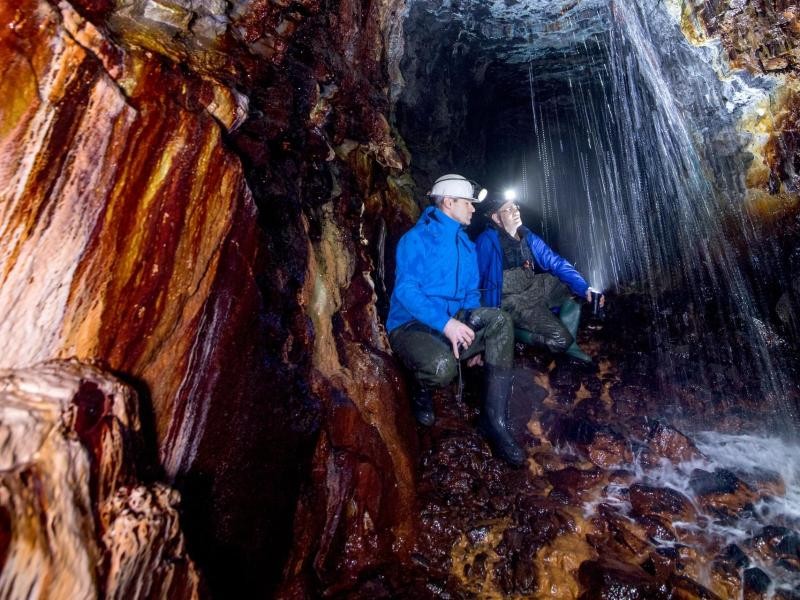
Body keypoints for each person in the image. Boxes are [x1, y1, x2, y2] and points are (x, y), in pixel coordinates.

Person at [387, 174, 524, 465]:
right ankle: (418, 385)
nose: (473, 210)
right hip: (411, 325)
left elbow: (471, 294)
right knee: (442, 368)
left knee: (499, 321)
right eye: (468, 203)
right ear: (448, 202)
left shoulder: (466, 244)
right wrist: (447, 325)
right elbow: (406, 291)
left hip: (452, 320)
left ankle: (494, 421)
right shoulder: (416, 239)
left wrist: (476, 338)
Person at [475, 196, 604, 363]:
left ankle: (570, 345)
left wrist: (585, 288)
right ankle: (518, 334)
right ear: (496, 218)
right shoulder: (487, 242)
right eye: (509, 210)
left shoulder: (526, 235)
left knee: (576, 289)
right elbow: (474, 282)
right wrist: (480, 338)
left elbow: (554, 261)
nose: (516, 212)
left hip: (534, 287)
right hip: (513, 301)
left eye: (516, 207)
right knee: (559, 340)